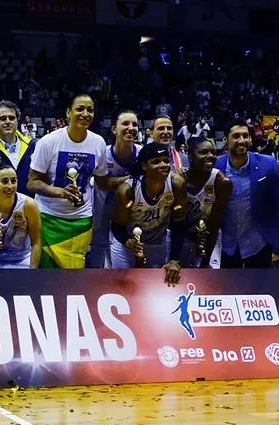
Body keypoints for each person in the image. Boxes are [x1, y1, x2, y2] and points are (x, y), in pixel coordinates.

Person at [27, 94, 109, 269]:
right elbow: (32, 182)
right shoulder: (48, 142)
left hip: (81, 220)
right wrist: (57, 191)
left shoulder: (98, 143)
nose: (85, 114)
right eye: (80, 109)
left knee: (73, 277)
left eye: (90, 110)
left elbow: (103, 182)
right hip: (48, 217)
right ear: (68, 112)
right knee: (45, 274)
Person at [215, 120, 279, 268]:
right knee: (227, 289)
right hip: (227, 244)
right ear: (225, 140)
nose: (242, 140)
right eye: (236, 136)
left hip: (258, 243)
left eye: (245, 136)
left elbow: (278, 198)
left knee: (259, 290)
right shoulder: (216, 165)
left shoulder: (268, 164)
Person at [109, 142, 185, 286]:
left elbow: (179, 223)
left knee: (153, 287)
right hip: (127, 244)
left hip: (156, 242)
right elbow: (117, 225)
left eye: (166, 160)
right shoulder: (127, 191)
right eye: (156, 162)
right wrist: (126, 241)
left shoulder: (177, 184)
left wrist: (174, 259)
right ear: (144, 166)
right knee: (123, 288)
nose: (163, 165)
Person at [89, 110, 142, 268]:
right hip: (104, 206)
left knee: (128, 245)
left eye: (134, 124)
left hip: (129, 209)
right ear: (114, 129)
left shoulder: (142, 153)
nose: (131, 127)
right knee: (99, 244)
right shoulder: (103, 153)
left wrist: (116, 181)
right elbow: (104, 183)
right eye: (125, 123)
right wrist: (130, 178)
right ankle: (95, 280)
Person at [0, 162, 41, 268]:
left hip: (22, 260)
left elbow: (36, 242)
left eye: (13, 181)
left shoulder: (29, 205)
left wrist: (32, 271)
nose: (10, 186)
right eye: (4, 181)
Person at [179, 137, 232, 268]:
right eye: (204, 152)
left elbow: (214, 224)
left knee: (207, 276)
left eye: (213, 152)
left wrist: (205, 260)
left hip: (208, 236)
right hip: (181, 236)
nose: (210, 156)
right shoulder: (178, 179)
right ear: (190, 156)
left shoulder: (222, 182)